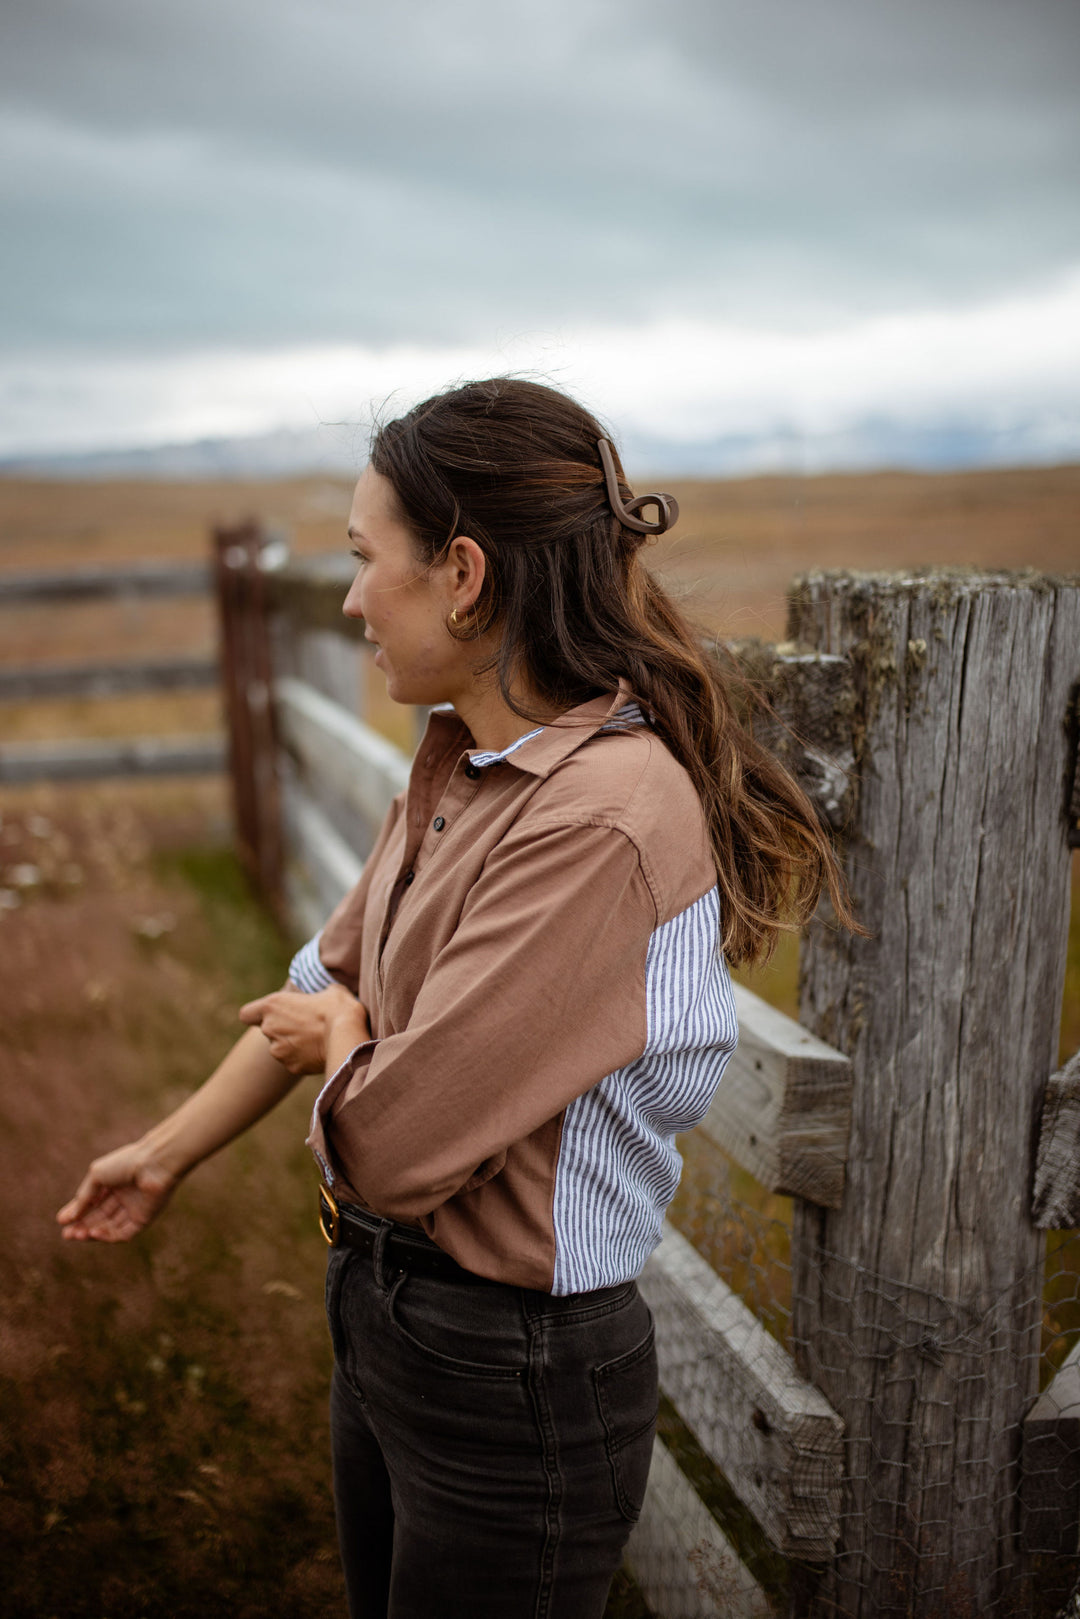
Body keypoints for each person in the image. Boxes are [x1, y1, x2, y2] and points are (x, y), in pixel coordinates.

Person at [57, 378, 854, 1619]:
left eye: (368, 558)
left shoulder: (597, 821)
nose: (350, 595)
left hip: (513, 1367)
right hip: (391, 1313)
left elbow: (393, 1138)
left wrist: (348, 1041)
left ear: (463, 573)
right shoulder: (467, 766)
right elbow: (325, 982)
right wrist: (164, 1154)